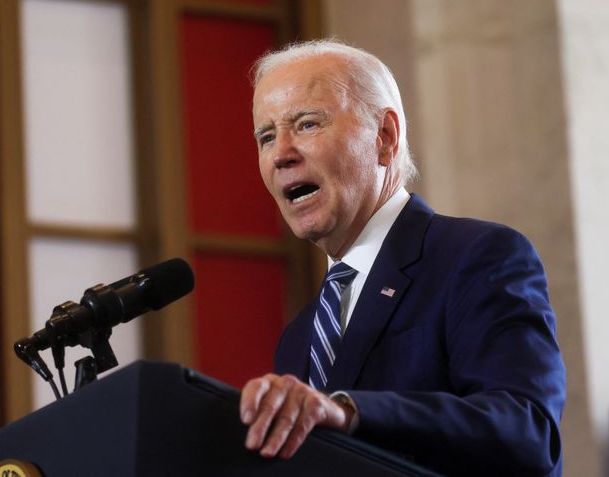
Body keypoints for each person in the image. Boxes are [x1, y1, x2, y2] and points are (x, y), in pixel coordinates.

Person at [240, 39, 566, 476]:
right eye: (266, 136)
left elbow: (528, 431)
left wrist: (350, 412)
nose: (280, 154)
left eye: (307, 124)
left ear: (385, 136)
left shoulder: (476, 257)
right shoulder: (300, 337)